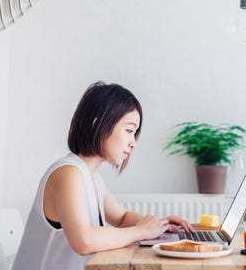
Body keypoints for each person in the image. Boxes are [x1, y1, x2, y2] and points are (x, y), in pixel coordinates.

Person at [13, 81, 194, 270]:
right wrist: (141, 231)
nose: (133, 143)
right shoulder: (67, 174)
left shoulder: (93, 179)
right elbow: (84, 241)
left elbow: (122, 218)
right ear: (97, 123)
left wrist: (159, 225)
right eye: (129, 131)